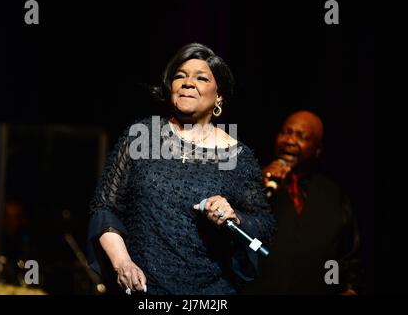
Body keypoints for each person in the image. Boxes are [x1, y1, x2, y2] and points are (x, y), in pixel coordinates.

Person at [86, 43, 276, 295]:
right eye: (180, 76)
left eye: (201, 77)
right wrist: (123, 263)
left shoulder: (238, 156)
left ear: (219, 95)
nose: (187, 83)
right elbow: (105, 208)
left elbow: (264, 226)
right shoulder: (141, 137)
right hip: (144, 290)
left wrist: (234, 217)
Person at [242, 110, 362, 295]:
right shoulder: (253, 181)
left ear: (317, 149)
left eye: (301, 136)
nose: (290, 141)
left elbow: (344, 252)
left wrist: (346, 287)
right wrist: (258, 184)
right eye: (286, 132)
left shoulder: (333, 193)